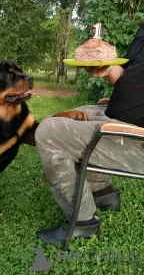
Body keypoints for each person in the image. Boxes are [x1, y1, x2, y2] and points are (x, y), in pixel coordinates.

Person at [35, 24, 144, 245]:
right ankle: (102, 192)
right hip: (126, 112)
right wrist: (112, 70)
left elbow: (134, 94)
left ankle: (84, 223)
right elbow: (132, 76)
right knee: (77, 114)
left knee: (48, 131)